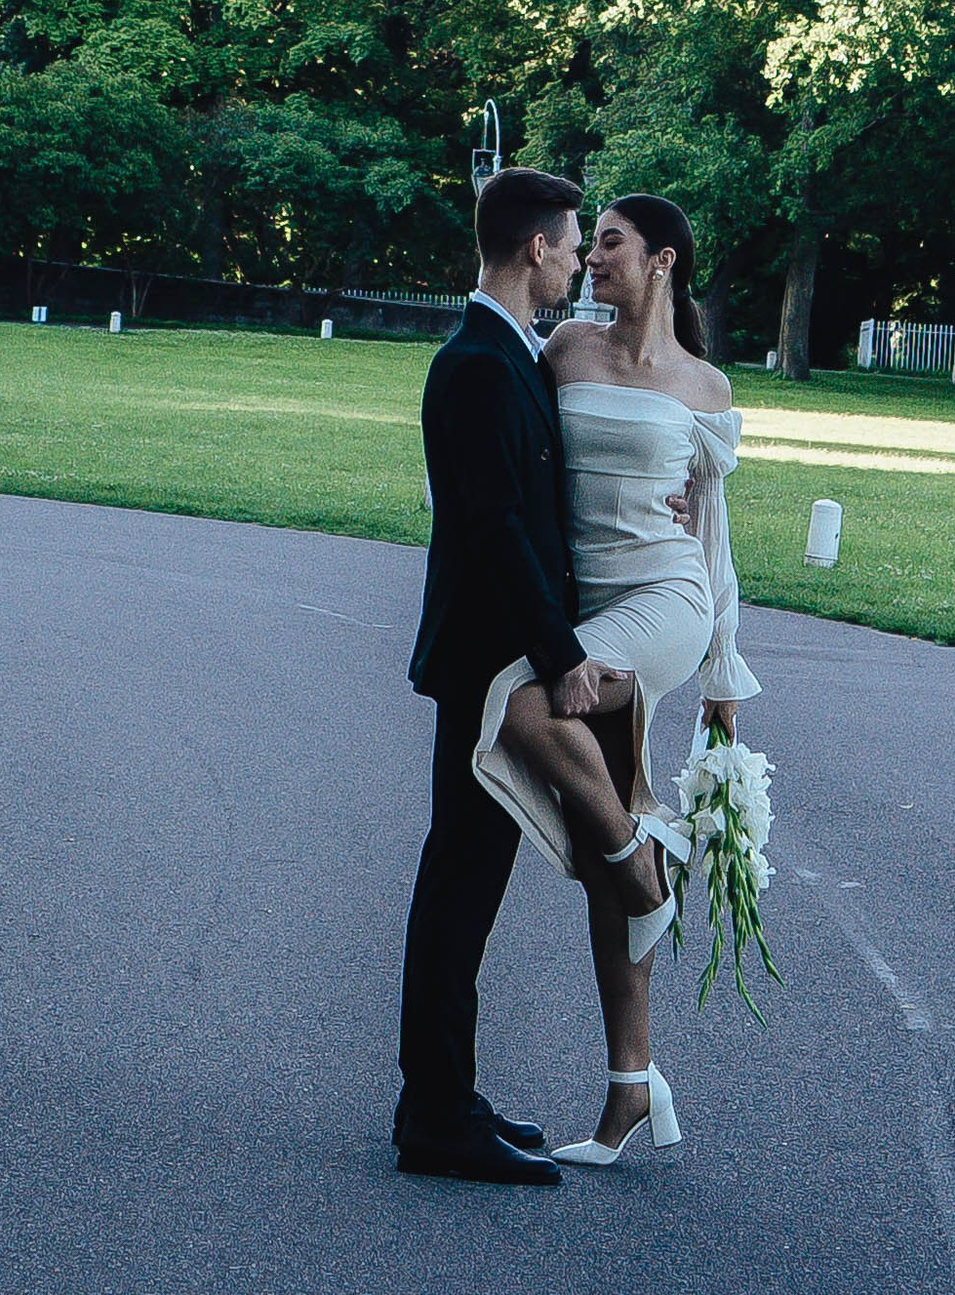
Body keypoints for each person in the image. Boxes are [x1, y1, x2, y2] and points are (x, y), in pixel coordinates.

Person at [472, 191, 757, 1168]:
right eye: (586, 244)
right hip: (581, 612)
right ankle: (629, 1088)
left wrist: (724, 673)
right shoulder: (565, 355)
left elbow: (713, 541)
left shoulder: (706, 391)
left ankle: (643, 865)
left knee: (525, 707)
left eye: (610, 244)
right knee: (608, 852)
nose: (591, 259)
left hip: (663, 608)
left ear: (663, 260)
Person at [395, 165, 592, 1185]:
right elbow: (495, 525)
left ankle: (445, 1095)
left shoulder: (507, 354)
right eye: (570, 244)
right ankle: (432, 1115)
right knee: (459, 883)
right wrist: (561, 658)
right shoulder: (474, 363)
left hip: (497, 656)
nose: (574, 260)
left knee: (469, 879)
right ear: (532, 250)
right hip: (488, 662)